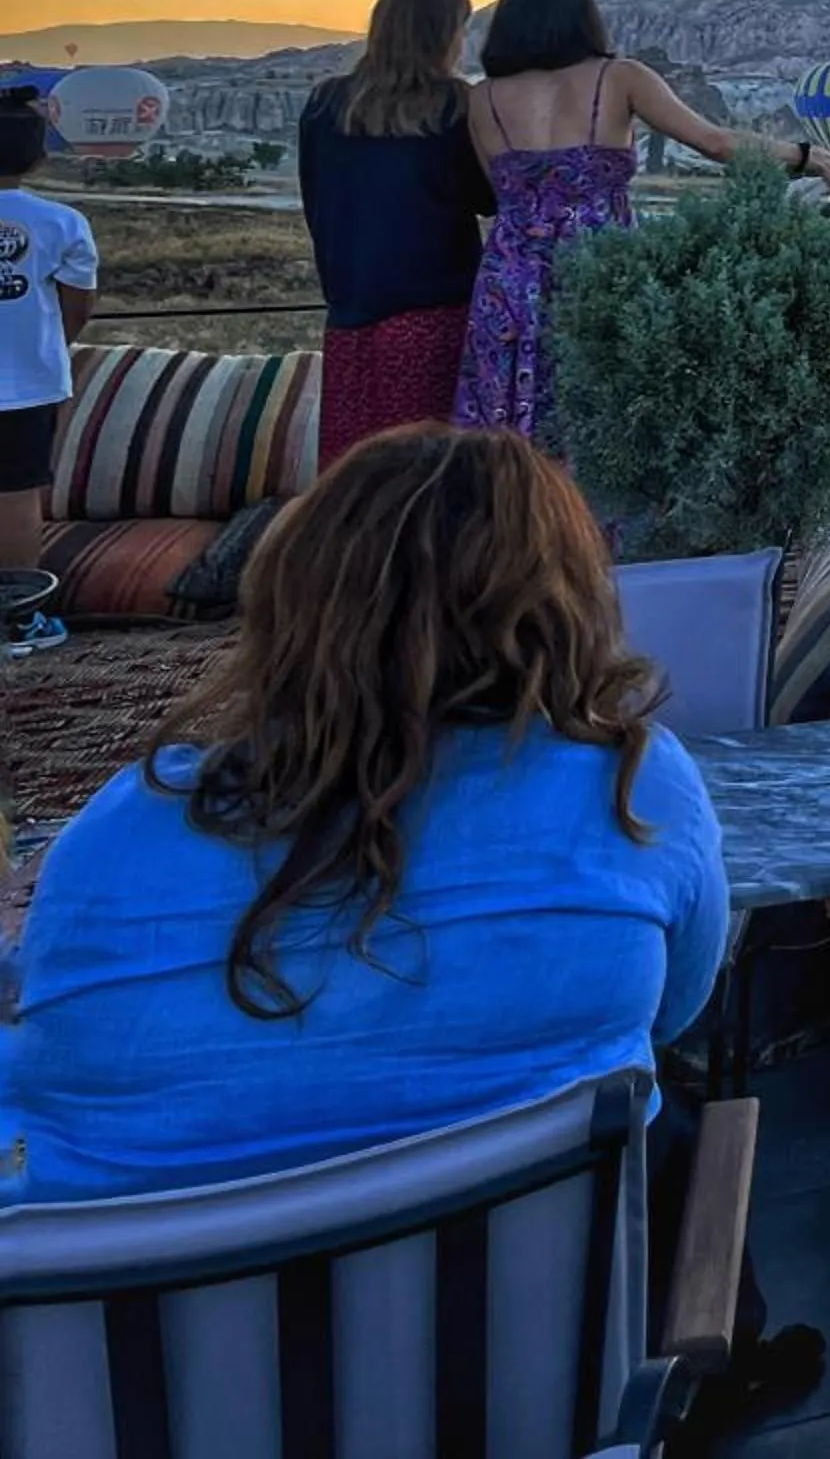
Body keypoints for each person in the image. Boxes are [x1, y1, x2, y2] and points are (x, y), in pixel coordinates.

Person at [0, 424, 728, 1202]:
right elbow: (676, 1011)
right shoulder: (632, 791)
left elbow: (47, 1008)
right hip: (529, 1272)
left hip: (124, 1276)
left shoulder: (125, 829)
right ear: (568, 603)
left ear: (289, 597)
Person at [455, 0, 830, 455]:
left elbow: (498, 198)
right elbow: (715, 142)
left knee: (504, 433)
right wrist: (806, 155)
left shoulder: (482, 99)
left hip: (510, 280)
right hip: (601, 269)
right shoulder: (621, 78)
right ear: (582, 15)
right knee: (601, 427)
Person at [298, 0, 494, 462]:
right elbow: (489, 198)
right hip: (436, 313)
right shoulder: (456, 104)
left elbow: (315, 195)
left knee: (356, 462)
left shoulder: (325, 103)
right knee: (429, 463)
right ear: (442, 35)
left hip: (350, 310)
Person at [0, 88, 96, 574]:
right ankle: (17, 609)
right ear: (39, 159)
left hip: (31, 383)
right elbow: (77, 306)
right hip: (28, 383)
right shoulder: (63, 223)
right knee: (17, 495)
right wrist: (53, 348)